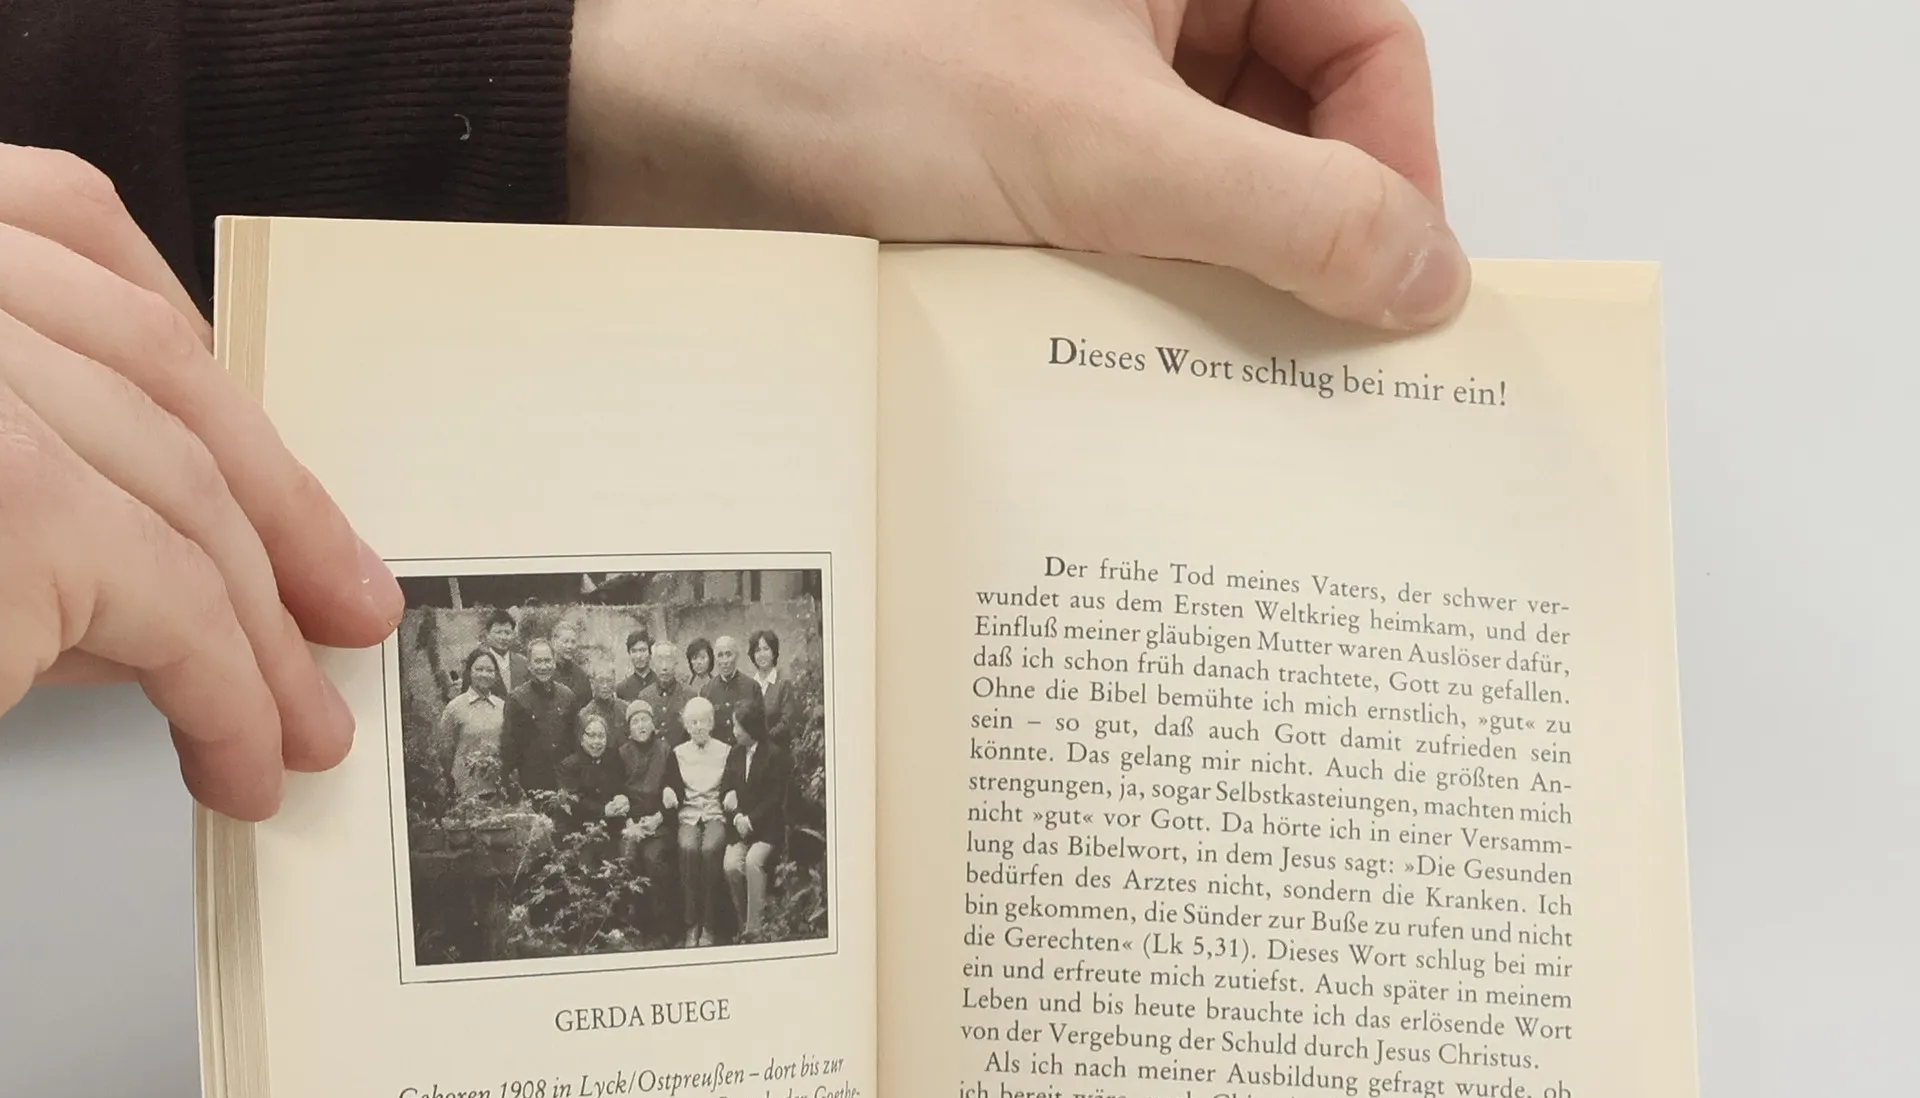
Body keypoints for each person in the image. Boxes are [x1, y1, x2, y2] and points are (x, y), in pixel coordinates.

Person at [1, 1, 1462, 818]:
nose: (696, 681)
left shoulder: (736, 730)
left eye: (713, 668)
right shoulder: (575, 723)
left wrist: (618, 81)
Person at [722, 699, 789, 939]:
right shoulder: (735, 753)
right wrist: (737, 816)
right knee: (731, 866)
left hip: (766, 829)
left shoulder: (774, 755)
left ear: (750, 728)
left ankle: (755, 931)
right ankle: (744, 923)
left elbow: (774, 799)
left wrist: (749, 821)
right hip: (739, 826)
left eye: (737, 726)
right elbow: (726, 790)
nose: (734, 731)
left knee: (752, 862)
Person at [671, 695, 732, 947]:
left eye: (703, 721)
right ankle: (691, 924)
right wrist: (668, 791)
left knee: (710, 850)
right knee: (687, 849)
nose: (698, 727)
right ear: (686, 726)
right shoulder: (678, 753)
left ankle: (709, 925)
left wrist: (731, 793)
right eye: (693, 722)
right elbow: (671, 783)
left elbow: (732, 781)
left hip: (715, 812)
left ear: (711, 723)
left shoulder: (725, 751)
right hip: (689, 814)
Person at [618, 700, 679, 941]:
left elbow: (676, 790)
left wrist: (659, 818)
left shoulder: (666, 751)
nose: (641, 725)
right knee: (628, 857)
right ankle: (635, 927)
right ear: (629, 728)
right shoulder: (622, 753)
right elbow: (616, 791)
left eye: (645, 720)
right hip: (631, 825)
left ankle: (664, 926)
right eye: (635, 721)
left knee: (654, 859)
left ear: (653, 724)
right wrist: (629, 824)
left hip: (659, 825)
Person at [498, 637, 580, 799]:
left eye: (547, 661)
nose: (543, 667)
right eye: (538, 661)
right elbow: (509, 746)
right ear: (529, 665)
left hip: (564, 783)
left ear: (554, 662)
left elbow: (575, 741)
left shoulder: (567, 696)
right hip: (531, 784)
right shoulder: (517, 699)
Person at [433, 646, 509, 804]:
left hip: (498, 791)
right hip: (465, 792)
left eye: (489, 670)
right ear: (469, 672)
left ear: (496, 675)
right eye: (479, 669)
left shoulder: (502, 707)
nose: (484, 674)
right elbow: (445, 752)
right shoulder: (455, 708)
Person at [557, 710, 630, 836]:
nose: (596, 741)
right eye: (591, 735)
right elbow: (572, 801)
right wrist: (603, 810)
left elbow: (622, 787)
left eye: (601, 736)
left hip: (611, 829)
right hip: (578, 831)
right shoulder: (568, 766)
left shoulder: (613, 761)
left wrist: (622, 798)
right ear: (581, 738)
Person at [626, 638, 692, 747]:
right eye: (660, 661)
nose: (664, 667)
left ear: (676, 663)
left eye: (669, 660)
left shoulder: (689, 694)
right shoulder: (644, 696)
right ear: (652, 664)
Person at [703, 634, 765, 746]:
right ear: (715, 658)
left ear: (736, 656)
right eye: (720, 655)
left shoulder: (752, 687)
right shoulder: (707, 690)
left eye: (728, 654)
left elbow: (760, 728)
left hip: (743, 750)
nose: (725, 661)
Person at [575, 655, 629, 752]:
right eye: (600, 681)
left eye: (609, 681)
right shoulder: (585, 714)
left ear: (614, 681)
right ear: (592, 683)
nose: (605, 686)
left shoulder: (625, 709)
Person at [748, 630, 792, 746]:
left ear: (774, 652)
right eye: (757, 650)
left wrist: (764, 739)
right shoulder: (749, 685)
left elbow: (787, 722)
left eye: (766, 649)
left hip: (777, 749)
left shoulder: (783, 684)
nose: (762, 654)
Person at [613, 627, 655, 704]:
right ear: (629, 654)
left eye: (642, 650)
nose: (638, 656)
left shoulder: (659, 683)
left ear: (650, 653)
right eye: (634, 651)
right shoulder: (622, 689)